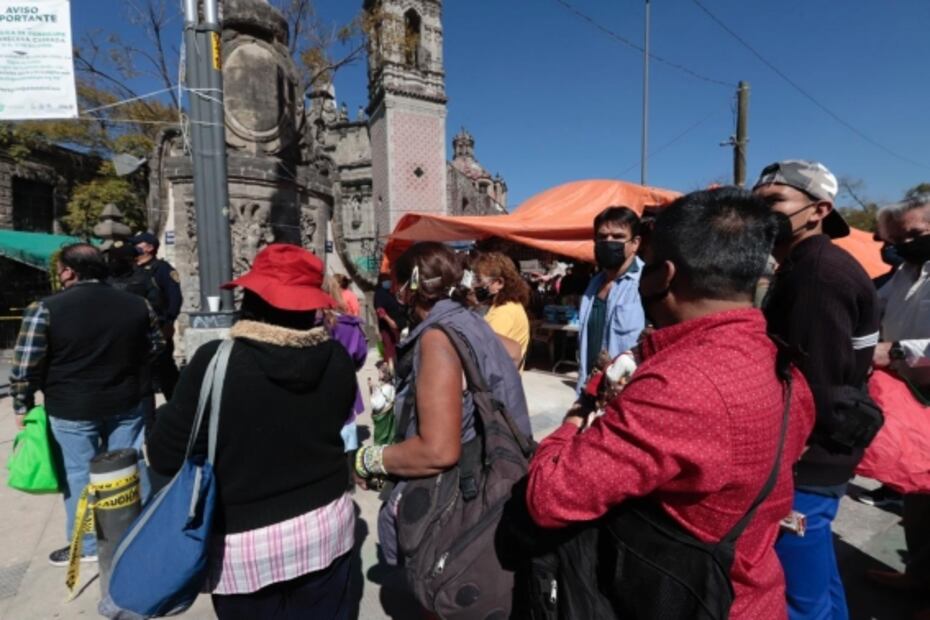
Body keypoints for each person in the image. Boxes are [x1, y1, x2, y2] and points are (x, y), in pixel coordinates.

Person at [524, 188, 815, 618]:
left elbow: (549, 497)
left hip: (690, 598)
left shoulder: (678, 385)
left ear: (664, 275)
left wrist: (574, 421)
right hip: (754, 589)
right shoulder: (782, 364)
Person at [146, 244, 358, 619]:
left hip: (244, 546)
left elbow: (165, 453)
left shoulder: (217, 361)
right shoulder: (337, 358)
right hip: (326, 528)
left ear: (251, 298)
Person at [754, 160, 880, 620]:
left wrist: (781, 457)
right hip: (820, 449)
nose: (760, 212)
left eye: (774, 202)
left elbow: (815, 385)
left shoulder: (817, 275)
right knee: (818, 575)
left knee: (796, 594)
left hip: (809, 454)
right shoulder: (802, 267)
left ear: (818, 210)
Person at [354, 242, 531, 567]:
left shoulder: (438, 338)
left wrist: (369, 459)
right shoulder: (470, 320)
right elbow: (513, 351)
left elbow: (438, 451)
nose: (395, 293)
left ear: (411, 288)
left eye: (397, 285)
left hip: (454, 503)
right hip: (493, 486)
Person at [9, 243, 164, 566]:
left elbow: (25, 366)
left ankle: (90, 544)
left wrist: (22, 406)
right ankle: (136, 532)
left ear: (69, 271)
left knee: (80, 474)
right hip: (125, 400)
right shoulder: (137, 304)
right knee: (128, 468)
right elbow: (155, 347)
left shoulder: (45, 309)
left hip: (71, 406)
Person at [863, 193, 930, 605]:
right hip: (913, 394)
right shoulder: (905, 272)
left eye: (915, 234)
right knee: (918, 495)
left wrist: (899, 350)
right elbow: (874, 314)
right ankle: (919, 576)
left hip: (916, 376)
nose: (905, 244)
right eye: (899, 237)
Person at [576, 206, 645, 393]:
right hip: (588, 390)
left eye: (618, 236)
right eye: (602, 237)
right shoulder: (594, 284)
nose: (609, 242)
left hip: (626, 393)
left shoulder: (647, 282)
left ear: (635, 243)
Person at [132, 231, 182, 399]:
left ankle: (176, 403)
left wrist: (169, 322)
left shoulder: (162, 269)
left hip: (159, 325)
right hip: (139, 326)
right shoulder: (132, 269)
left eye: (138, 244)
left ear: (150, 248)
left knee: (164, 366)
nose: (134, 247)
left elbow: (175, 298)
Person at [471, 251, 532, 364]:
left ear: (499, 283)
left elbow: (486, 353)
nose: (475, 285)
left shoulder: (503, 313)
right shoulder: (511, 306)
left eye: (479, 280)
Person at [373, 272, 407, 369]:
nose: (388, 282)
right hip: (387, 326)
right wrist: (390, 321)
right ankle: (389, 370)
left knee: (395, 347)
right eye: (385, 281)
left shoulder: (389, 292)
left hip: (396, 324)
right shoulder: (380, 293)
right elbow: (380, 310)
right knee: (389, 348)